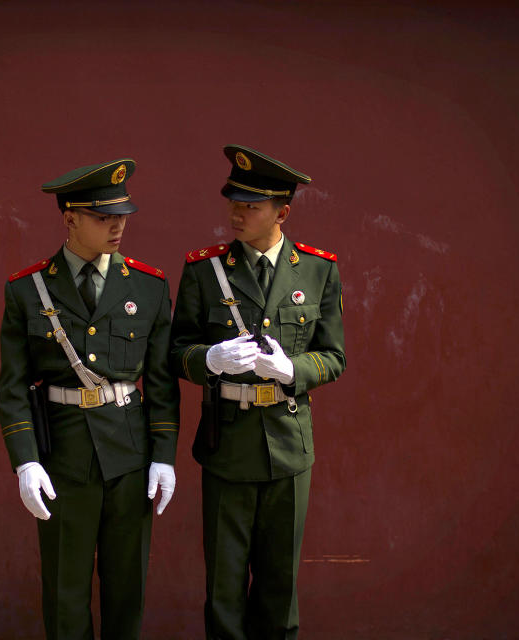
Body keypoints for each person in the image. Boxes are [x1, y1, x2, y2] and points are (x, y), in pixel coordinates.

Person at [0, 158, 179, 640]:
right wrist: (25, 462)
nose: (118, 225)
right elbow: (13, 385)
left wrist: (163, 456)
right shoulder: (28, 289)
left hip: (129, 457)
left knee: (126, 592)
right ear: (70, 219)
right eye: (103, 217)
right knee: (65, 593)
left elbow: (160, 381)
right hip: (63, 458)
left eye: (122, 215)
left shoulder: (149, 285)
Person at [170, 144, 346, 639]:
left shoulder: (318, 270)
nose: (236, 213)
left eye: (251, 205)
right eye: (233, 202)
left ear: (282, 212)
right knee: (224, 590)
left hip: (290, 448)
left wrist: (293, 368)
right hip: (227, 446)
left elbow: (334, 356)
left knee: (279, 588)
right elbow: (175, 349)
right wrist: (208, 359)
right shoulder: (205, 271)